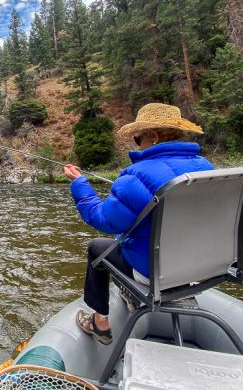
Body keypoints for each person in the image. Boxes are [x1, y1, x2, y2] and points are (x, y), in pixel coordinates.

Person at [63, 103, 213, 345]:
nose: (136, 143)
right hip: (201, 269)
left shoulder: (136, 175)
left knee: (98, 247)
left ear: (152, 137)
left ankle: (100, 323)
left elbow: (102, 219)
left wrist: (80, 183)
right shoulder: (206, 167)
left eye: (137, 138)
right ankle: (129, 294)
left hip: (156, 272)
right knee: (126, 238)